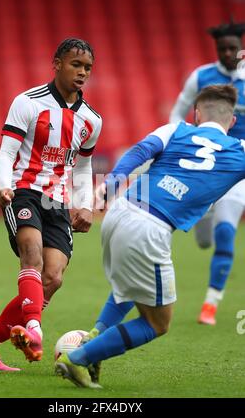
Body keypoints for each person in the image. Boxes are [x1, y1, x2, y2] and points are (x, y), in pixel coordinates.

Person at [55, 85, 245, 388]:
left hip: (120, 213)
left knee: (130, 288)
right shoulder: (239, 150)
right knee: (158, 323)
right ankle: (78, 358)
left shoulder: (176, 129)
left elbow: (139, 153)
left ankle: (95, 338)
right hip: (149, 228)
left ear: (196, 114)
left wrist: (106, 191)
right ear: (232, 122)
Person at [0, 38, 102, 371]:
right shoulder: (27, 102)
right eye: (75, 65)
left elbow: (82, 167)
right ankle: (35, 329)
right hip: (24, 190)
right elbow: (7, 152)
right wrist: (5, 186)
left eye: (87, 68)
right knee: (32, 254)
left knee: (52, 278)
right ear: (56, 64)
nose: (82, 73)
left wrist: (84, 205)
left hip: (58, 202)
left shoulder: (91, 120)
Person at [169, 20, 245, 325]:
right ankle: (205, 216)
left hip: (236, 167)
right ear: (217, 49)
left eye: (233, 48)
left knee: (226, 232)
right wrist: (185, 136)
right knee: (203, 239)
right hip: (205, 165)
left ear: (241, 49)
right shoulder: (201, 76)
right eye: (222, 48)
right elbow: (177, 113)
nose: (228, 52)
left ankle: (210, 305)